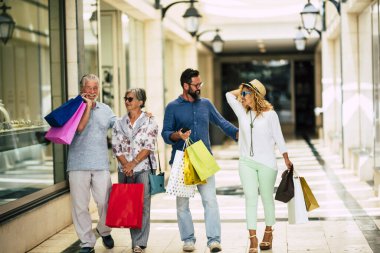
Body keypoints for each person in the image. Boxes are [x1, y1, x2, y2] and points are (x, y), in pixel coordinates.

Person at [161, 68, 239, 253]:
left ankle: (214, 240)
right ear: (185, 85)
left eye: (200, 84)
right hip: (182, 161)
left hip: (204, 158)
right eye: (196, 85)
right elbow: (165, 133)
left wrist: (238, 133)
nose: (199, 88)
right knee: (182, 205)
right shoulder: (172, 107)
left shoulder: (206, 104)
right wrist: (177, 135)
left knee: (210, 201)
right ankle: (188, 240)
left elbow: (221, 122)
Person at [225, 79, 293, 252]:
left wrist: (286, 158)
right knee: (250, 199)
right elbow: (228, 95)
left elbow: (279, 137)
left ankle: (268, 232)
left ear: (255, 95)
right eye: (241, 94)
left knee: (266, 199)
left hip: (267, 163)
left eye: (245, 94)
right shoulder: (242, 112)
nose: (241, 97)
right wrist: (242, 89)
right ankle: (253, 239)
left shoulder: (271, 115)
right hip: (246, 162)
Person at [67, 74, 116, 253]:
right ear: (82, 88)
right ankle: (87, 243)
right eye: (89, 88)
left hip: (101, 163)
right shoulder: (72, 107)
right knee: (80, 205)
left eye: (96, 88)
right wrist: (87, 106)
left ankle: (104, 230)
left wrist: (139, 116)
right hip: (78, 164)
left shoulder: (105, 109)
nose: (93, 91)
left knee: (105, 202)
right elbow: (79, 128)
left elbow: (118, 125)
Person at [112, 88, 158, 253]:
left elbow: (149, 146)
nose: (127, 101)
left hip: (143, 168)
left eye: (130, 99)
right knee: (130, 205)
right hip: (124, 169)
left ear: (140, 102)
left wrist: (133, 164)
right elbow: (116, 146)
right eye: (125, 98)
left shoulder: (150, 121)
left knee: (143, 206)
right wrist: (126, 165)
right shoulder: (119, 122)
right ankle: (135, 240)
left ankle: (139, 243)